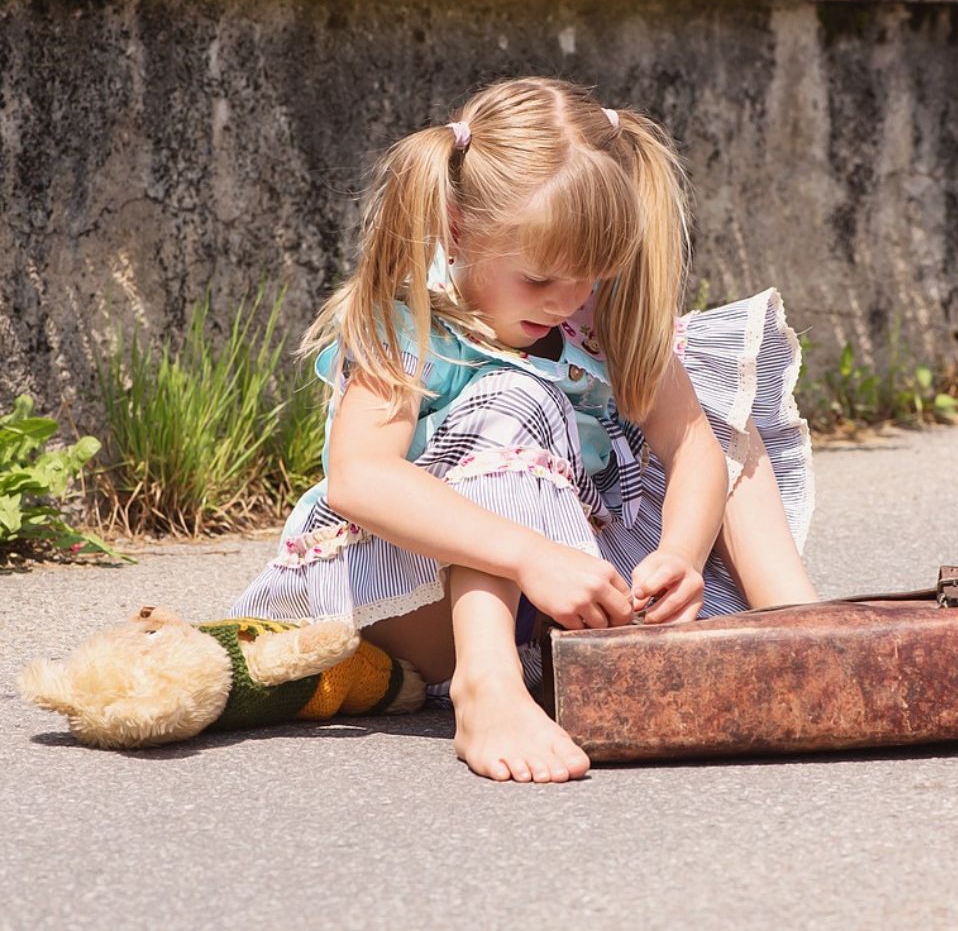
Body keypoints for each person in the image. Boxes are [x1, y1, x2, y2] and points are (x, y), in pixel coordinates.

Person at [230, 76, 818, 783]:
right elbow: (360, 477)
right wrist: (531, 556)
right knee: (513, 396)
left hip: (567, 596)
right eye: (540, 280)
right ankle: (489, 687)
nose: (569, 299)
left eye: (592, 277)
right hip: (416, 599)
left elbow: (692, 441)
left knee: (726, 413)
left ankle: (797, 626)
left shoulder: (593, 319)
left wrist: (682, 557)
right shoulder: (412, 322)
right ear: (457, 227)